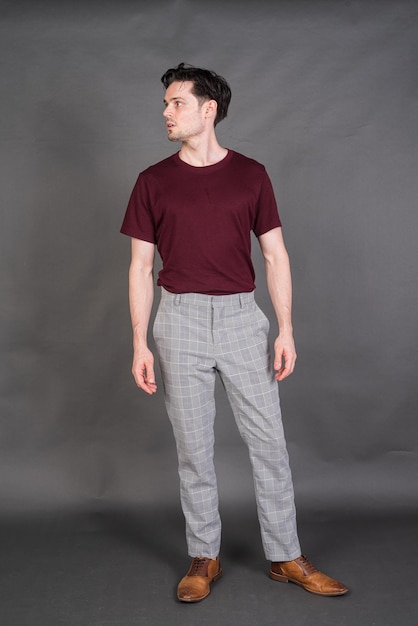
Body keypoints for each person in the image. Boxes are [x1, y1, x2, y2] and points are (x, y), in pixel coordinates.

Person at [120, 63, 348, 602]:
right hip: (178, 321)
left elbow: (275, 254)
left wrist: (285, 329)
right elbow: (138, 268)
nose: (166, 113)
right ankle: (205, 556)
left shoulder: (251, 175)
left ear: (208, 109)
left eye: (176, 103)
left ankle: (286, 556)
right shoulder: (152, 180)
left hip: (243, 319)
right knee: (194, 449)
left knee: (268, 442)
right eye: (166, 104)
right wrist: (138, 342)